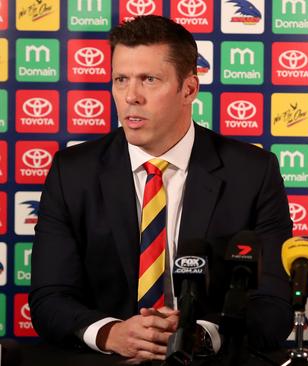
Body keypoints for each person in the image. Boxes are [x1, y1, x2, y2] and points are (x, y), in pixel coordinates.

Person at [29, 15, 293, 363]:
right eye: (120, 79)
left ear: (189, 89)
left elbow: (274, 306)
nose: (131, 97)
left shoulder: (253, 172)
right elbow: (49, 299)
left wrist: (198, 336)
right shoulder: (73, 172)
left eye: (149, 80)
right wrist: (111, 333)